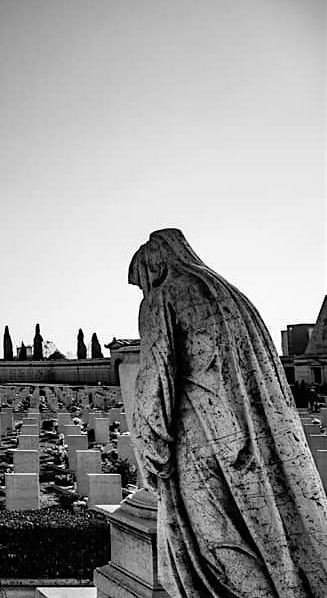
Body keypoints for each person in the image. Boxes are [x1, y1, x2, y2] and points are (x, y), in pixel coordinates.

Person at [129, 229, 327, 597]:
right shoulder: (230, 295)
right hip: (253, 431)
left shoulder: (164, 295)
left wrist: (150, 447)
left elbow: (155, 378)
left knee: (216, 536)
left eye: (140, 280)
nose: (142, 290)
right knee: (264, 529)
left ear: (154, 264)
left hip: (200, 433)